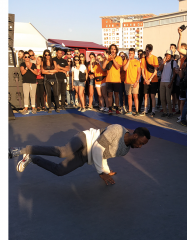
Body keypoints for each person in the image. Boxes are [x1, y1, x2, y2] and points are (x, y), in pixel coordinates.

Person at [9, 124, 150, 186]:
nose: (140, 146)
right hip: (86, 139)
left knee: (60, 171)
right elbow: (97, 148)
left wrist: (107, 171)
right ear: (135, 135)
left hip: (86, 155)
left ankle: (32, 158)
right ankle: (22, 150)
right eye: (141, 143)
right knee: (63, 152)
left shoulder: (125, 150)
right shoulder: (117, 130)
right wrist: (101, 172)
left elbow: (104, 155)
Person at [103, 44, 123, 114]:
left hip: (116, 80)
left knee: (116, 95)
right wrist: (106, 58)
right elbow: (103, 67)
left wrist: (112, 58)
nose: (113, 50)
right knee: (109, 95)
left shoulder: (119, 58)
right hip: (109, 79)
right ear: (110, 50)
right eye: (111, 49)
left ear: (116, 50)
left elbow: (117, 67)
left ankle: (117, 109)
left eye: (114, 49)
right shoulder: (107, 58)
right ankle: (110, 109)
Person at [140, 44, 159, 117]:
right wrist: (145, 79)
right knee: (146, 95)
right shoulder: (143, 59)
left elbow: (155, 70)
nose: (147, 52)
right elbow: (142, 70)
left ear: (151, 51)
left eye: (148, 50)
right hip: (146, 80)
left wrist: (150, 79)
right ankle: (145, 110)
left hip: (153, 80)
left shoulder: (154, 58)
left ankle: (153, 111)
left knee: (152, 95)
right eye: (146, 50)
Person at [159, 50, 178, 118]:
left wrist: (171, 82)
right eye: (166, 55)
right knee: (162, 97)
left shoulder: (173, 62)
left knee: (168, 98)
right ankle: (165, 111)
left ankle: (170, 112)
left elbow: (174, 73)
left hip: (168, 81)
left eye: (168, 55)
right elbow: (160, 69)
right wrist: (163, 62)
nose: (167, 56)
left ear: (171, 56)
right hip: (162, 81)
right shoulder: (164, 62)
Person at [123, 48, 141, 116]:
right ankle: (130, 110)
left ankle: (137, 111)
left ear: (134, 54)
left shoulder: (137, 62)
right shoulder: (126, 61)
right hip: (127, 82)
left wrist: (137, 81)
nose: (130, 54)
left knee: (135, 96)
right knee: (129, 97)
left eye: (131, 53)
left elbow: (139, 72)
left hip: (134, 82)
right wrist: (129, 61)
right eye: (129, 53)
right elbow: (124, 69)